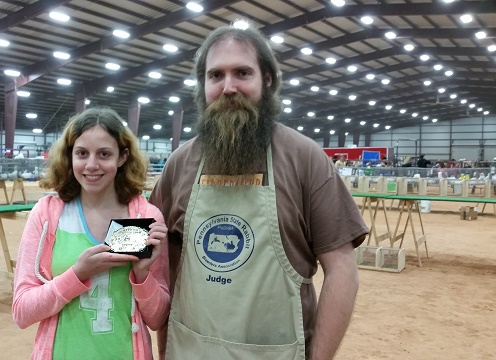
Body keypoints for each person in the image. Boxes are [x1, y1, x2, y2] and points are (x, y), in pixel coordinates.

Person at [149, 23, 368, 360]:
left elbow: (343, 271)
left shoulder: (304, 158)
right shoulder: (179, 162)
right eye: (216, 76)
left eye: (242, 73)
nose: (228, 87)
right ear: (203, 85)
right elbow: (142, 247)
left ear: (267, 79)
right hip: (190, 349)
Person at [12, 107, 170, 359]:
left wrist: (142, 274)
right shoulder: (47, 215)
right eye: (82, 153)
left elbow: (158, 318)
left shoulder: (146, 218)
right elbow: (22, 311)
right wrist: (77, 274)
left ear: (122, 157)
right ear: (70, 156)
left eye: (104, 154)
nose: (92, 165)